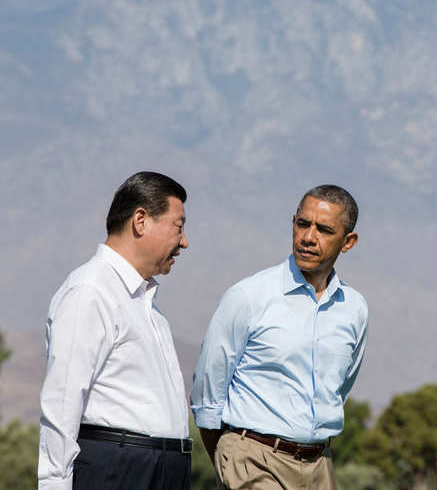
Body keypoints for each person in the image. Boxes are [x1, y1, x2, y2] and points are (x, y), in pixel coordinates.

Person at [191, 184, 368, 489]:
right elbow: (208, 391)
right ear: (293, 223)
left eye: (324, 229)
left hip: (320, 466)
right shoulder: (248, 296)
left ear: (348, 242)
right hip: (253, 460)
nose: (308, 238)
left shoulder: (354, 308)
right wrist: (229, 458)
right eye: (302, 224)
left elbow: (339, 390)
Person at [38, 171, 193, 490]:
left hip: (161, 471)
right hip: (118, 471)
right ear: (141, 220)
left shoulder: (148, 304)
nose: (184, 242)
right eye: (178, 227)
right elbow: (62, 401)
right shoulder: (90, 291)